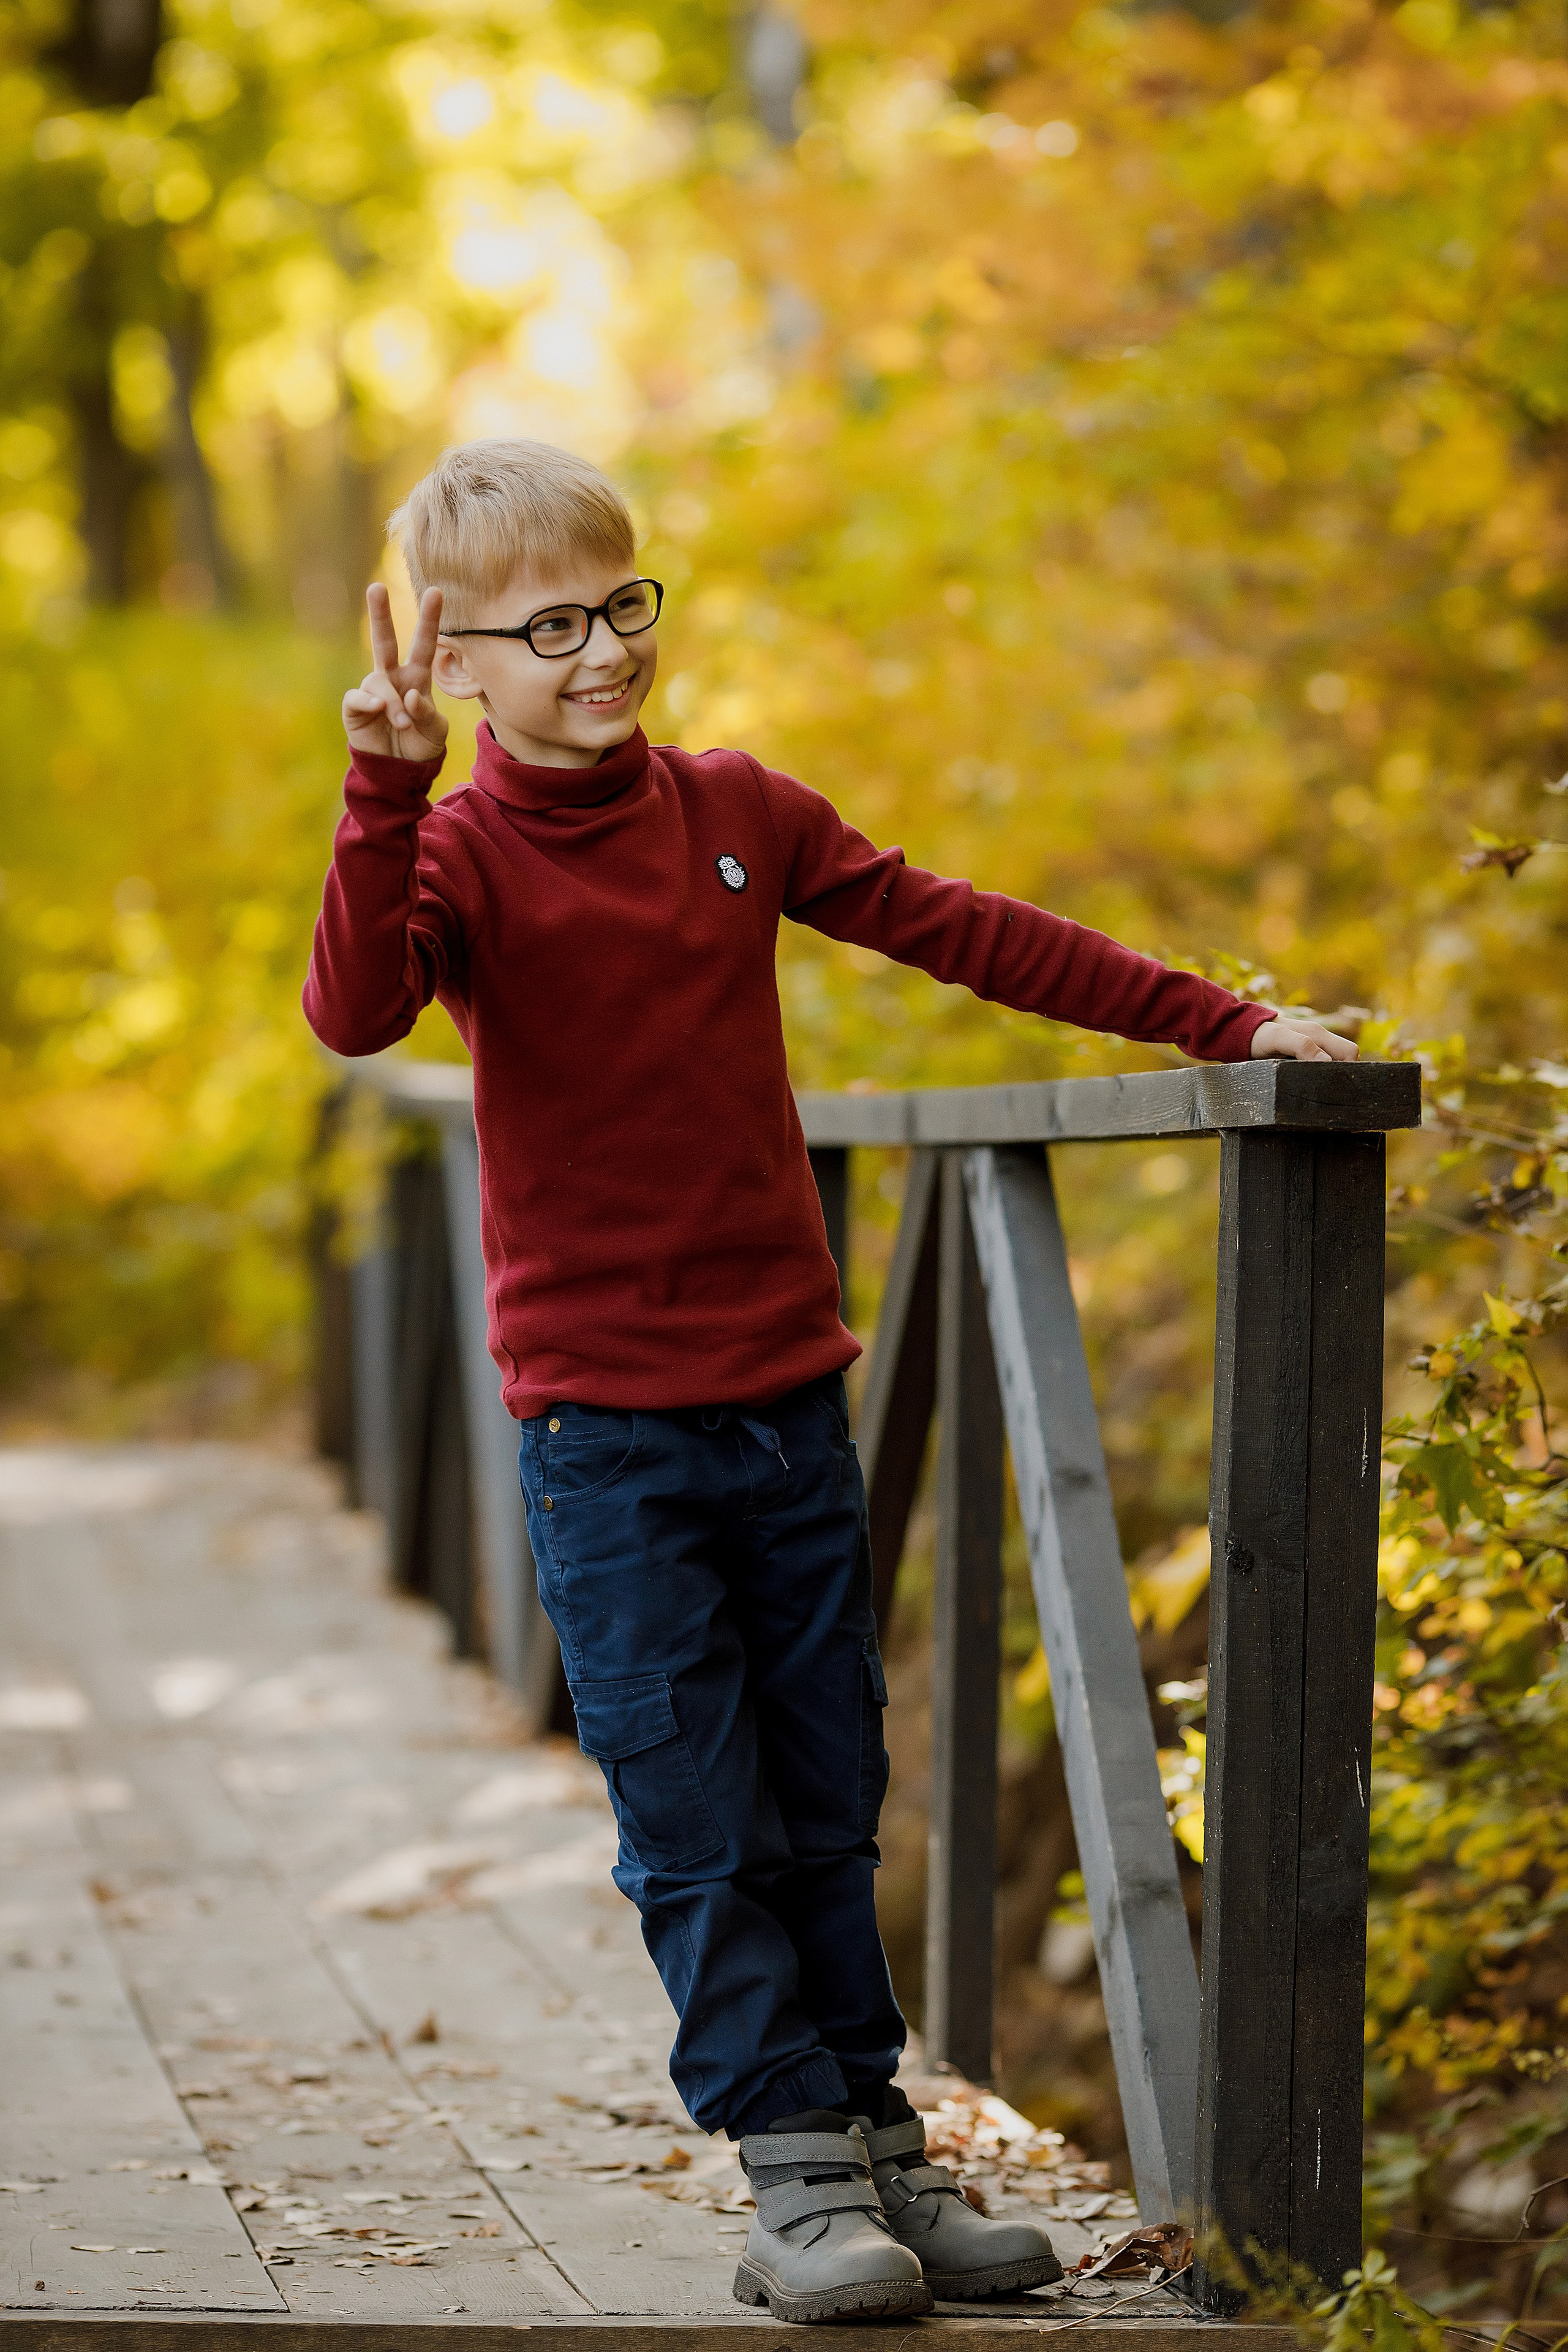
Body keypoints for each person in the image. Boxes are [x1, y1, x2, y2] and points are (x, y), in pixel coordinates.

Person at [303, 438, 1357, 2324]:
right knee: (690, 1807)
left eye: (624, 604)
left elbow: (969, 931)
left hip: (787, 1403)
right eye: (549, 628)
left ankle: (876, 2145)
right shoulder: (456, 852)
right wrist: (379, 799)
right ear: (454, 659)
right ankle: (791, 2178)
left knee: (827, 1790)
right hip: (603, 1436)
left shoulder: (734, 810)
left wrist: (1222, 1018)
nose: (605, 651)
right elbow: (358, 1011)